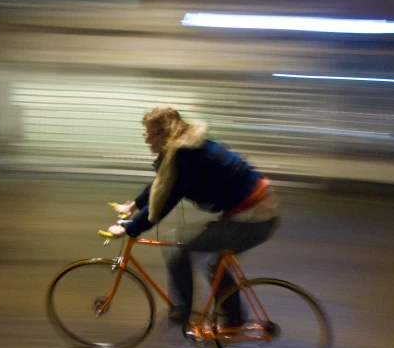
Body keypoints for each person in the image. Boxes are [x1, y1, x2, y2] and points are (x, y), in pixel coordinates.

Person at [106, 107, 279, 329]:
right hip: (252, 209)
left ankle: (187, 313)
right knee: (206, 257)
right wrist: (134, 205)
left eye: (154, 133)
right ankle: (232, 318)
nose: (148, 139)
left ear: (168, 134)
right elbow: (162, 184)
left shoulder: (187, 157)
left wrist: (129, 229)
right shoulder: (186, 148)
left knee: (184, 253)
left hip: (254, 217)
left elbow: (164, 200)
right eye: (146, 133)